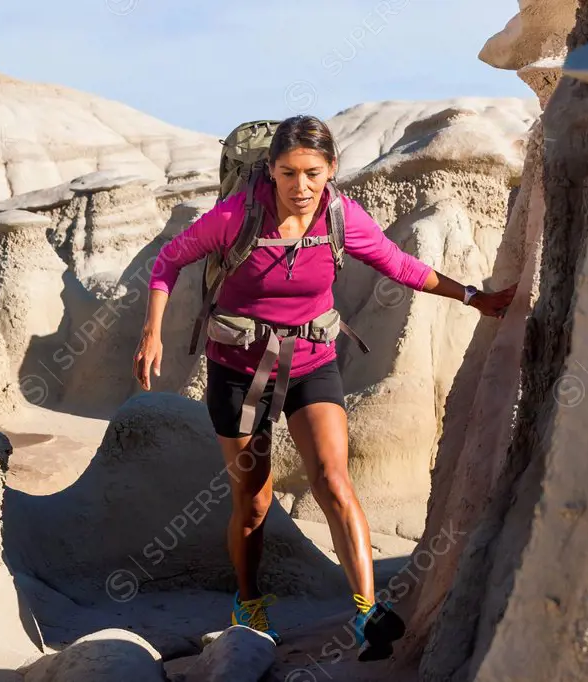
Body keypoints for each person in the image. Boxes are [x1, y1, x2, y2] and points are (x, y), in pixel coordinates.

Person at [132, 115, 516, 657]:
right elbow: (169, 262)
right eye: (288, 173)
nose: (301, 186)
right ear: (270, 170)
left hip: (311, 361)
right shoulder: (236, 215)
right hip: (239, 370)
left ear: (331, 169)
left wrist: (474, 297)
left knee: (335, 481)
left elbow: (400, 265)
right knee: (255, 501)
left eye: (312, 172)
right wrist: (153, 333)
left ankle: (367, 614)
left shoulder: (340, 216)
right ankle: (249, 605)